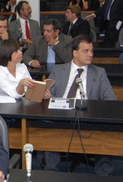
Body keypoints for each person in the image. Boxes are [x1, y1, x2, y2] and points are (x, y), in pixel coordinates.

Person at [44, 35, 117, 173]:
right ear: (75, 53)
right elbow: (48, 93)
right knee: (50, 130)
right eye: (86, 51)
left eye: (92, 51)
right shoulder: (58, 70)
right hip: (61, 115)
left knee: (105, 131)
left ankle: (105, 176)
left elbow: (110, 98)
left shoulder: (99, 72)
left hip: (89, 116)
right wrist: (47, 96)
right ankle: (50, 172)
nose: (90, 54)